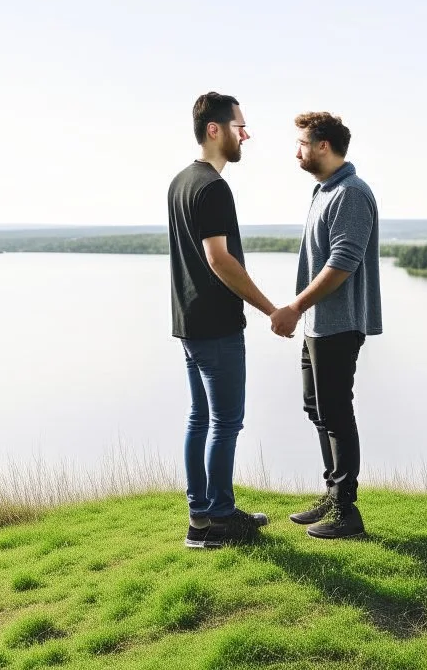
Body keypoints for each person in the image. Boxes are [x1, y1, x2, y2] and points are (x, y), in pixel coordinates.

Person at [168, 92, 276, 548]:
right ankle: (218, 525)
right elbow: (219, 260)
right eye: (239, 126)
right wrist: (272, 309)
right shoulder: (213, 186)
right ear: (215, 130)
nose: (245, 134)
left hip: (189, 322)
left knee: (201, 418)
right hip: (215, 325)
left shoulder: (180, 181)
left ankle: (204, 517)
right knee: (226, 421)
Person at [270, 112, 382, 539]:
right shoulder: (324, 191)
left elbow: (342, 263)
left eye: (301, 142)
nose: (295, 149)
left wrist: (295, 306)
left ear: (322, 145)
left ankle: (347, 513)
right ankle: (333, 494)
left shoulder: (350, 194)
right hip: (318, 324)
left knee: (336, 412)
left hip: (338, 324)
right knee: (317, 408)